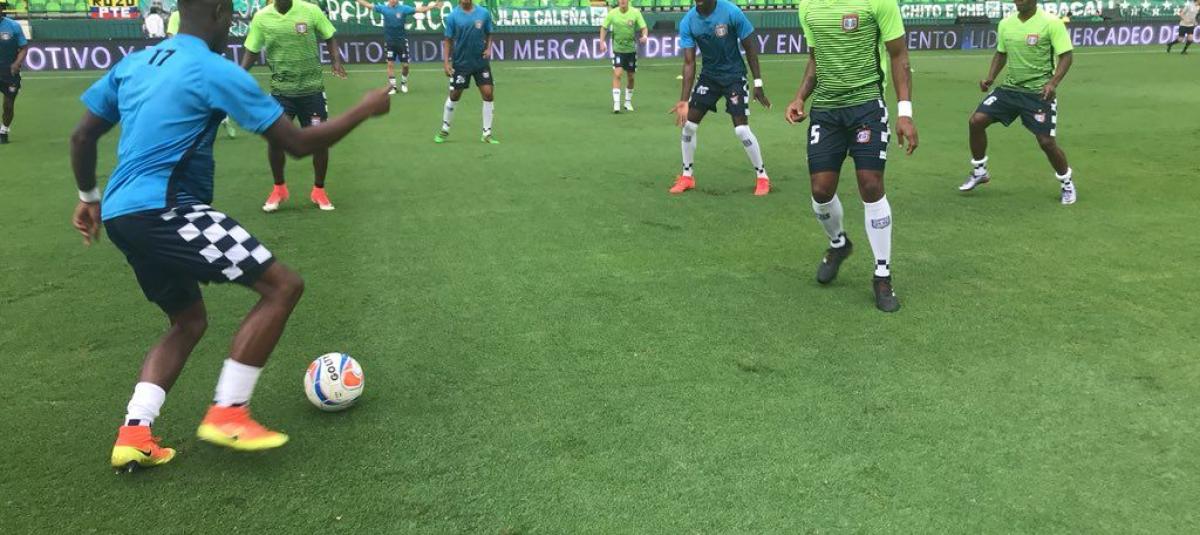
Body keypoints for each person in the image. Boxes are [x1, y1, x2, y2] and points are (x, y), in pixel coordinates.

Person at [69, 0, 389, 473]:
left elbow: (82, 136)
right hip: (168, 209)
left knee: (187, 321)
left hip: (122, 214)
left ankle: (135, 433)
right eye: (233, 17)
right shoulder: (213, 69)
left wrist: (88, 198)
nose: (235, 26)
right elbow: (298, 143)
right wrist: (365, 108)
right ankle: (229, 412)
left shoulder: (136, 62)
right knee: (282, 286)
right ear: (220, 12)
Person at [786, 0, 918, 312]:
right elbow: (816, 58)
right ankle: (839, 243)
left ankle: (882, 275)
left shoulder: (878, 3)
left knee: (871, 184)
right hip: (826, 110)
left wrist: (905, 112)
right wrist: (800, 97)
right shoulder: (808, 6)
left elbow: (899, 55)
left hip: (867, 106)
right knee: (821, 191)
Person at [961, 0, 1076, 206]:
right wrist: (990, 78)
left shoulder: (1051, 23)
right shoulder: (1005, 24)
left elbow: (1066, 56)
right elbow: (1001, 53)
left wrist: (1053, 83)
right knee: (976, 121)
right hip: (1010, 90)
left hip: (1038, 93)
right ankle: (980, 171)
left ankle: (1067, 183)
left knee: (1046, 143)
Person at [241, 0, 347, 212]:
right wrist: (239, 74)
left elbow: (329, 36)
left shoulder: (311, 11)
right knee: (275, 140)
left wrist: (336, 61)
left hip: (312, 91)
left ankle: (319, 190)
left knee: (319, 140)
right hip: (281, 92)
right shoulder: (262, 18)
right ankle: (279, 189)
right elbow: (252, 50)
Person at [668, 0, 771, 196]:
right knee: (688, 126)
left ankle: (762, 176)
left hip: (734, 76)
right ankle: (687, 176)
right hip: (709, 77)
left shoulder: (731, 12)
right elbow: (689, 63)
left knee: (741, 129)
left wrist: (758, 83)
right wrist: (684, 100)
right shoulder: (688, 21)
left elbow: (750, 47)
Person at [167, 8, 237, 138]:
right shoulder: (176, 15)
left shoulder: (198, 14)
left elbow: (172, 37)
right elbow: (172, 36)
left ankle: (219, 116)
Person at [435, 0, 497, 144]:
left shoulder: (483, 13)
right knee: (455, 95)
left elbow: (489, 33)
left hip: (480, 61)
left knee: (488, 93)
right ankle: (445, 129)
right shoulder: (452, 16)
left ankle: (487, 133)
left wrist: (488, 48)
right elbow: (448, 40)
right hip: (461, 63)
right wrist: (446, 63)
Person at [356, 0, 444, 95]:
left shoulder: (404, 9)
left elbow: (420, 10)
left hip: (401, 42)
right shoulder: (383, 8)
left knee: (405, 65)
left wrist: (433, 6)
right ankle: (393, 87)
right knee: (390, 64)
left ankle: (404, 82)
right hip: (390, 42)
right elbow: (368, 5)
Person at [598, 0, 647, 113]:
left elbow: (644, 27)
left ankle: (628, 102)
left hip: (631, 50)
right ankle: (616, 104)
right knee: (617, 73)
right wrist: (601, 42)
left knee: (631, 77)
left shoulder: (635, 12)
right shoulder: (613, 13)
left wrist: (644, 36)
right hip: (618, 49)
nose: (622, 1)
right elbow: (604, 27)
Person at [0, 2, 28, 145]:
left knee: (8, 106)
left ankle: (4, 130)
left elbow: (23, 47)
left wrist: (17, 63)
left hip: (9, 72)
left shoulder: (13, 26)